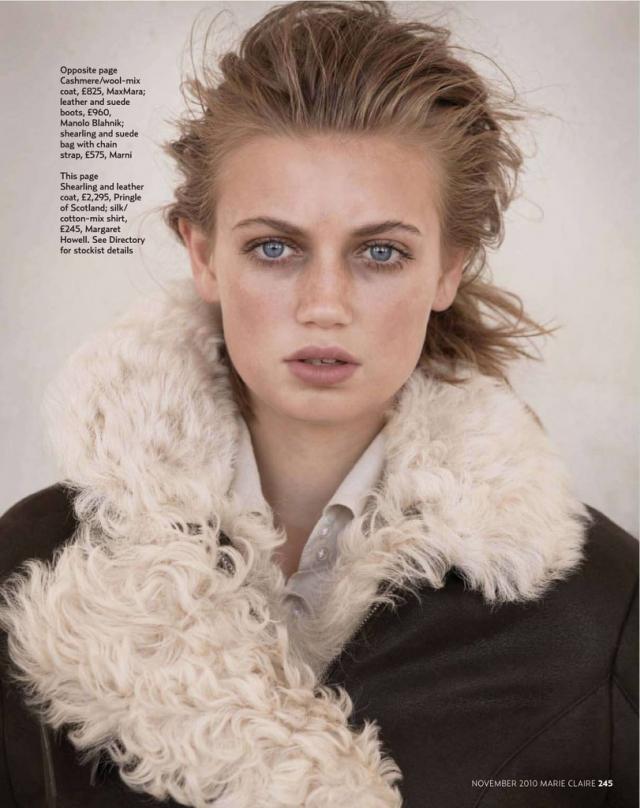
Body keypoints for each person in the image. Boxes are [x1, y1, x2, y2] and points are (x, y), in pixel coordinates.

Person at [0, 2, 637, 807]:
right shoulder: (35, 563)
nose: (325, 305)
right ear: (202, 254)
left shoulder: (600, 608)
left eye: (381, 252)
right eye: (274, 247)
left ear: (449, 269)